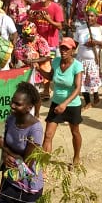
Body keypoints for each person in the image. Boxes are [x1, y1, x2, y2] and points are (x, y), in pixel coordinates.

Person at [41, 38, 84, 167]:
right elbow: (50, 76)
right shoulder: (56, 61)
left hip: (72, 105)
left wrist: (64, 104)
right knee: (48, 135)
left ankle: (76, 158)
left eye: (66, 48)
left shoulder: (77, 66)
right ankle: (43, 165)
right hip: (56, 103)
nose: (63, 51)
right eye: (62, 48)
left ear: (73, 50)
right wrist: (38, 69)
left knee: (74, 131)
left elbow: (77, 88)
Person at [74, 10, 102, 109]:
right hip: (80, 60)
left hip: (94, 61)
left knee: (92, 81)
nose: (89, 18)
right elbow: (75, 43)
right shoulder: (80, 29)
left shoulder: (101, 29)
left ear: (96, 17)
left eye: (92, 16)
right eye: (88, 16)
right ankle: (87, 102)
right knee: (81, 82)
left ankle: (95, 96)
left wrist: (96, 42)